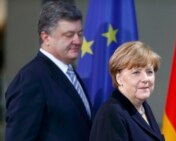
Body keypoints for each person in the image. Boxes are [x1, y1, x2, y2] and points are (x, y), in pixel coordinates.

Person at [5, 1, 92, 141]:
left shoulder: (71, 73)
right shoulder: (30, 79)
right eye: (69, 35)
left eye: (80, 34)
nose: (77, 41)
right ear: (46, 37)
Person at [89, 41, 165, 141]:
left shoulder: (143, 107)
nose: (145, 79)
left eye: (149, 72)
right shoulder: (111, 113)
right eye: (136, 72)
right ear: (118, 78)